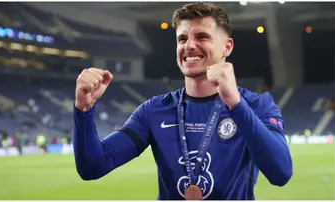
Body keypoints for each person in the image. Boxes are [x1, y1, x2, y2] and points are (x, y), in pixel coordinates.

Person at [73, 2, 293, 200]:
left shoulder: (256, 105)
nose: (189, 45)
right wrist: (84, 110)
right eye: (182, 38)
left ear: (227, 47)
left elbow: (281, 173)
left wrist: (235, 103)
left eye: (202, 37)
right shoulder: (154, 110)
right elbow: (93, 167)